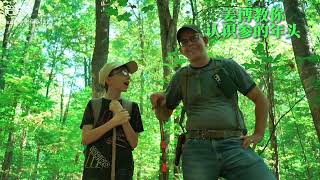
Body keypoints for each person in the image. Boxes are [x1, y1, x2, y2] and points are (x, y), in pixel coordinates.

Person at [150, 24, 276, 180]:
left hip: (235, 144)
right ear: (182, 50)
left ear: (205, 40)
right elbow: (164, 116)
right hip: (197, 150)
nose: (189, 44)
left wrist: (258, 134)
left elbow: (260, 98)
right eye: (184, 42)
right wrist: (157, 104)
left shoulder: (227, 67)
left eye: (194, 38)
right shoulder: (181, 77)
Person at [80, 60, 144, 180]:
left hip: (123, 171)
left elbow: (133, 143)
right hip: (95, 170)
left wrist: (121, 116)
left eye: (128, 73)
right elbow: (85, 138)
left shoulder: (132, 107)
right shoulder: (94, 105)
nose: (128, 77)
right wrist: (114, 122)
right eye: (123, 72)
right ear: (108, 80)